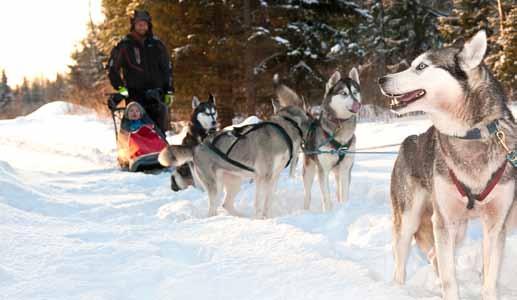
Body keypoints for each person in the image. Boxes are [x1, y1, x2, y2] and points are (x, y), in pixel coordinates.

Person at [107, 10, 174, 134]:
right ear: (134, 25)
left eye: (145, 24)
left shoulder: (157, 45)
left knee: (159, 132)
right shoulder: (124, 45)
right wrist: (121, 89)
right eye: (139, 24)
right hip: (135, 97)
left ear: (149, 25)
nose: (142, 27)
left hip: (157, 96)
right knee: (136, 132)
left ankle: (161, 151)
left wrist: (169, 90)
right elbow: (112, 69)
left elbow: (167, 69)